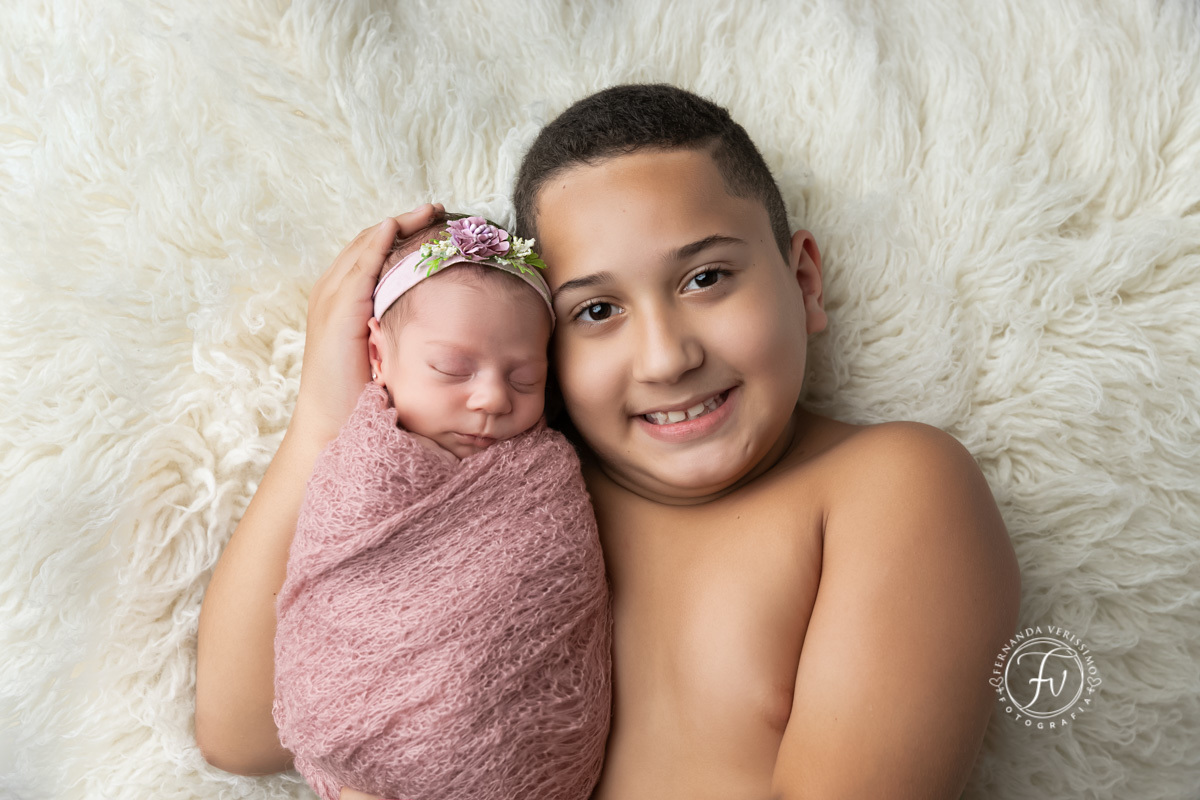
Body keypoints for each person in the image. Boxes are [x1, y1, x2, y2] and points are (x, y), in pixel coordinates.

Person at [196, 84, 1022, 799]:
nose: (666, 358)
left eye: (706, 278)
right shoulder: (515, 501)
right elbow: (247, 730)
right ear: (547, 353)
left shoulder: (886, 485)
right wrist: (324, 422)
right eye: (596, 311)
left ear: (803, 281)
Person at [270, 216, 610, 800]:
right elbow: (329, 600)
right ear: (377, 355)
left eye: (526, 379)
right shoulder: (359, 466)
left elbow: (558, 591)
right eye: (452, 370)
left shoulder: (543, 479)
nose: (493, 398)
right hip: (364, 756)